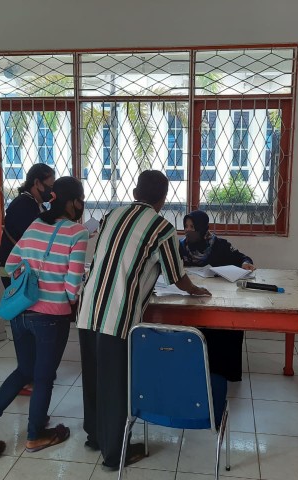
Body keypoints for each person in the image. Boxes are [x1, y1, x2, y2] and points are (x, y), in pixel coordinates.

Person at [77, 170, 211, 471]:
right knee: (115, 384)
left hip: (88, 309)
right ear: (163, 199)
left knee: (94, 377)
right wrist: (195, 290)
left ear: (136, 191)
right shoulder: (162, 227)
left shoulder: (111, 215)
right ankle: (114, 454)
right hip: (119, 316)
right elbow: (176, 276)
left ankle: (95, 437)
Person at [0, 176, 89, 457]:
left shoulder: (35, 224)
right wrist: (67, 296)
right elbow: (72, 287)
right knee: (44, 377)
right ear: (73, 201)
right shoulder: (78, 233)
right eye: (79, 200)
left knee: (25, 371)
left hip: (20, 312)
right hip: (50, 317)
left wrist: (32, 281)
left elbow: (10, 264)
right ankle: (35, 435)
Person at [179, 209, 253, 383]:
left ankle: (222, 373)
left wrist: (246, 263)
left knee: (226, 325)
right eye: (186, 226)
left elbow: (243, 257)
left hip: (218, 297)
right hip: (193, 295)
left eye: (193, 227)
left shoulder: (220, 245)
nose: (189, 230)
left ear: (203, 228)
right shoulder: (181, 246)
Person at [0, 163, 56, 286]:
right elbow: (36, 238)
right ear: (37, 183)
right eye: (50, 186)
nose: (52, 192)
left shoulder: (39, 206)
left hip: (26, 270)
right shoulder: (22, 205)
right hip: (15, 272)